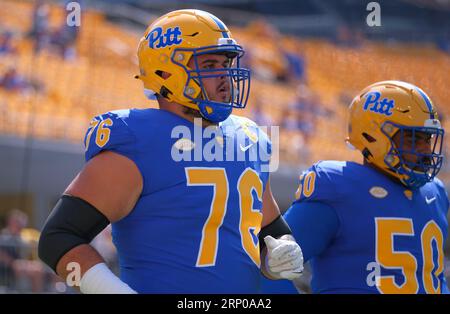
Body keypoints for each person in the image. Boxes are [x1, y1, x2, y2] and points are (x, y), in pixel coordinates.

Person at [38, 9, 303, 294]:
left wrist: (279, 254)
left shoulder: (249, 137)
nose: (225, 77)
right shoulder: (138, 140)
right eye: (210, 64)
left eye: (226, 64)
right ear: (166, 72)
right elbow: (58, 239)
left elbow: (270, 231)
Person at [263, 80, 449, 293]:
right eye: (412, 138)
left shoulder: (435, 193)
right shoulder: (339, 187)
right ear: (373, 135)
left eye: (427, 139)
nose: (425, 150)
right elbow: (271, 265)